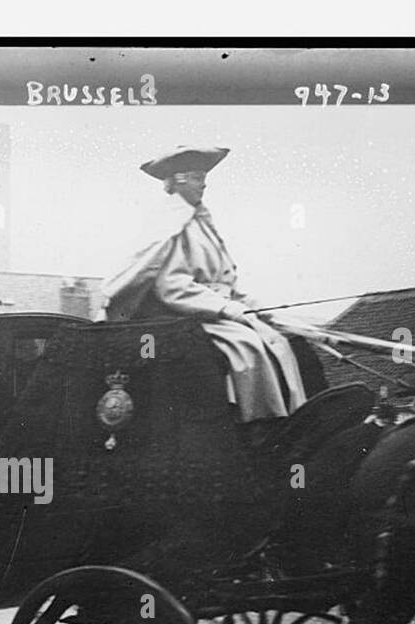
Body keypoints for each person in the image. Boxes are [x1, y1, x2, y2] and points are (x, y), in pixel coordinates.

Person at [102, 146, 308, 422]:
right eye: (199, 176)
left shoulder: (202, 224)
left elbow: (226, 282)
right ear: (180, 179)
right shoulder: (168, 224)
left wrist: (260, 309)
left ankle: (294, 420)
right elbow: (172, 288)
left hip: (216, 312)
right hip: (186, 317)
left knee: (282, 340)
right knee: (248, 347)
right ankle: (259, 426)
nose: (205, 183)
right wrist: (225, 309)